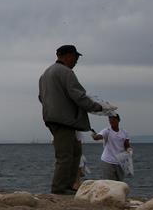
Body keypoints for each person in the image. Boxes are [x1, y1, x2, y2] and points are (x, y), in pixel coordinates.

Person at [37, 45, 106, 195]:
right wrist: (98, 107)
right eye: (75, 57)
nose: (76, 61)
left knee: (75, 152)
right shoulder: (66, 72)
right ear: (68, 56)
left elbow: (41, 97)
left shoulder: (45, 74)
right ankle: (59, 188)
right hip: (63, 120)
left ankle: (67, 186)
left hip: (53, 118)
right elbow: (78, 95)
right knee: (65, 155)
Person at [90, 114, 131, 181]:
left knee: (119, 183)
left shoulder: (124, 132)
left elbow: (126, 145)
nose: (112, 122)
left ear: (118, 120)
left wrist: (129, 150)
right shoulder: (107, 131)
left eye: (114, 120)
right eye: (110, 120)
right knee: (108, 183)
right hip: (108, 161)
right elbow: (97, 137)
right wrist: (93, 134)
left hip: (120, 162)